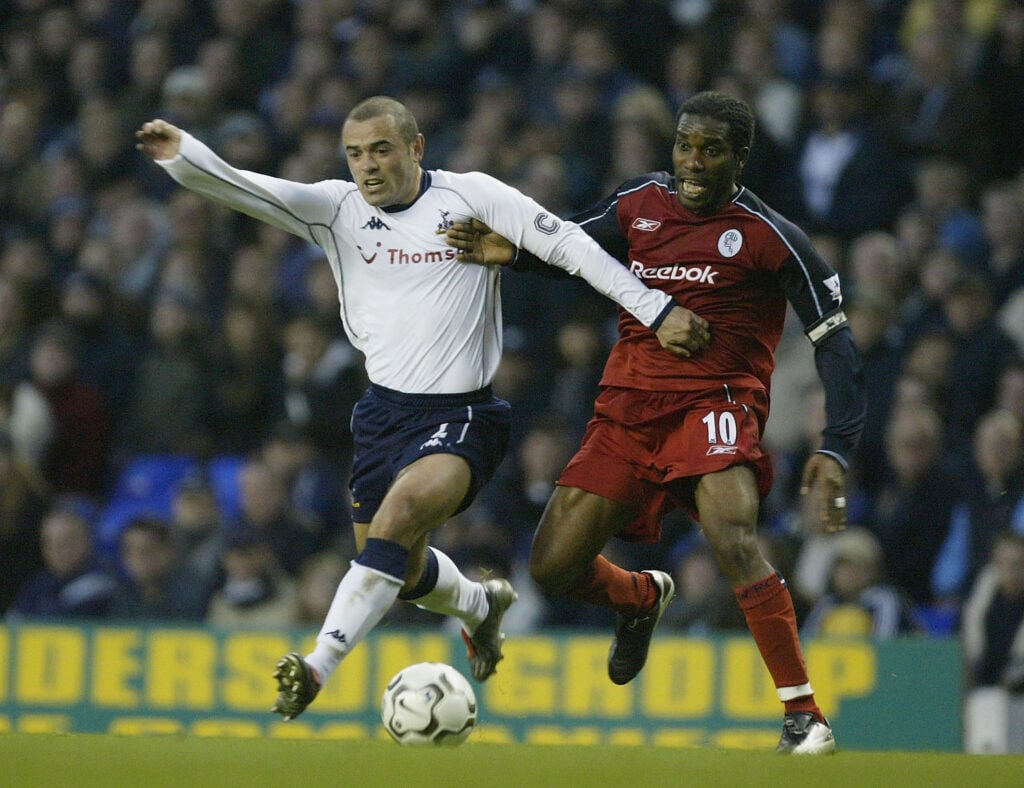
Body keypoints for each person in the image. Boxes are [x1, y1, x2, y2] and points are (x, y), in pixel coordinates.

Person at [136, 95, 703, 721]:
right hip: (382, 417)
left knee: (398, 518)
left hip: (463, 415)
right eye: (355, 154)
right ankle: (480, 607)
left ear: (416, 147)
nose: (368, 166)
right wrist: (179, 154)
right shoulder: (336, 209)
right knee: (399, 568)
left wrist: (655, 309)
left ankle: (317, 665)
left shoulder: (474, 196)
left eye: (381, 150)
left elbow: (573, 247)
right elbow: (242, 187)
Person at [446, 90, 865, 755]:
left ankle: (803, 715)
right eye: (683, 145)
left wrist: (836, 447)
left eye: (711, 149)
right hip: (628, 408)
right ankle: (639, 599)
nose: (692, 162)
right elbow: (573, 248)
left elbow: (835, 339)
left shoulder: (769, 234)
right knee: (553, 568)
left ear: (741, 157)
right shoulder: (639, 202)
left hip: (715, 402)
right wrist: (508, 250)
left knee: (733, 539)